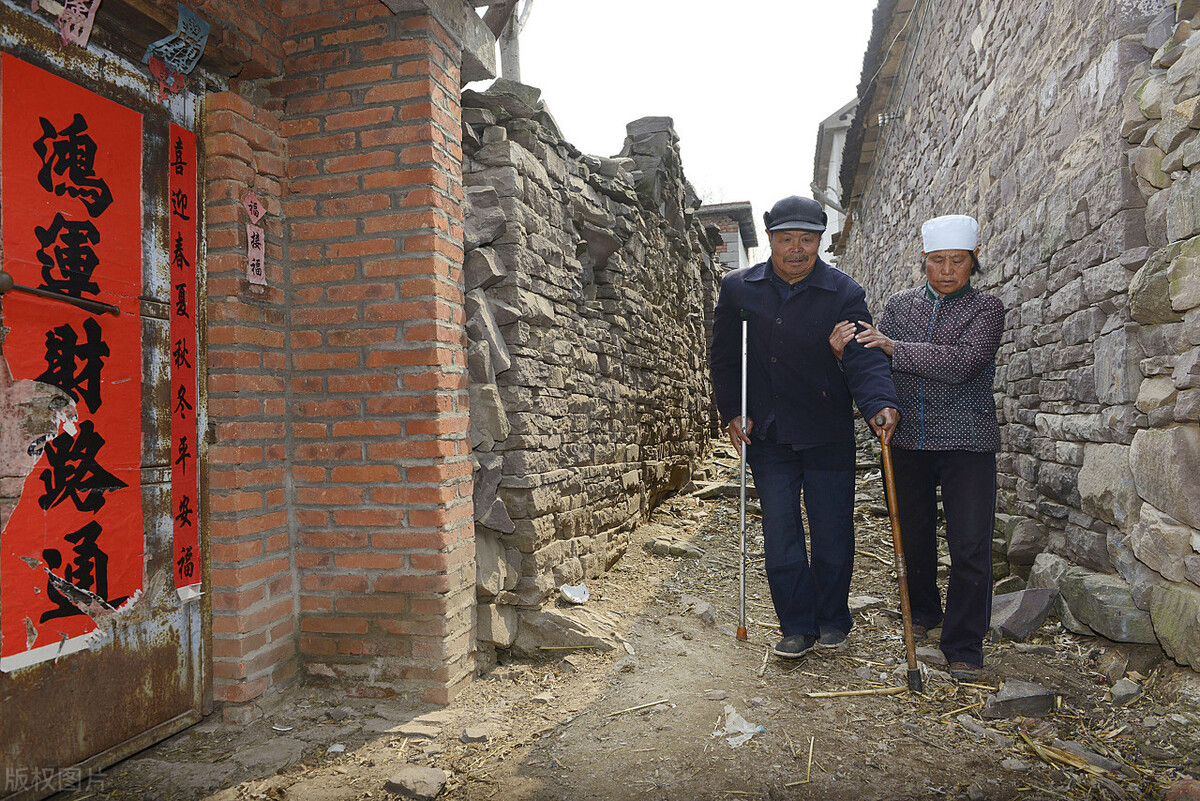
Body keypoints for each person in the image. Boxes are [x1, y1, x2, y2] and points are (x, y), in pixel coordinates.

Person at [711, 195, 899, 659]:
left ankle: (832, 619)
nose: (796, 249)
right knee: (780, 531)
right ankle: (796, 624)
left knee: (833, 530)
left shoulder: (843, 292)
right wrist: (734, 409)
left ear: (819, 241)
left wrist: (879, 403)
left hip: (825, 428)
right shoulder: (738, 289)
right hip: (769, 431)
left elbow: (864, 356)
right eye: (786, 239)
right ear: (771, 240)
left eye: (807, 239)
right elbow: (726, 359)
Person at [829, 214, 1005, 680]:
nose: (947, 270)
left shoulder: (987, 309)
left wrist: (893, 348)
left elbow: (965, 364)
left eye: (957, 261)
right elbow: (873, 361)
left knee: (969, 545)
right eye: (937, 261)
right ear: (923, 262)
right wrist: (860, 369)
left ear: (973, 262)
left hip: (968, 441)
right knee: (914, 537)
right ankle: (924, 613)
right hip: (906, 439)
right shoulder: (900, 305)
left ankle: (964, 643)